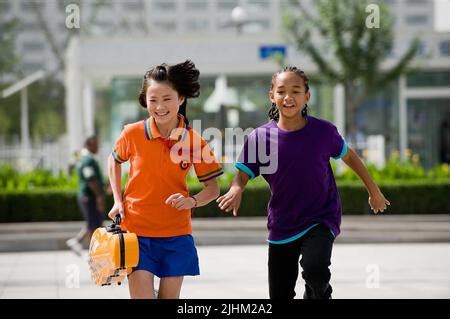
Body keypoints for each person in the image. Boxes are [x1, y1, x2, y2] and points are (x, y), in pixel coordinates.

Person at [217, 66, 390, 299]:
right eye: (281, 91)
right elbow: (243, 173)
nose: (288, 97)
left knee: (316, 273)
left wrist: (374, 191)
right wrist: (237, 188)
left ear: (307, 96)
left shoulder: (323, 132)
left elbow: (350, 157)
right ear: (272, 96)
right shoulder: (260, 137)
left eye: (296, 91)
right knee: (279, 293)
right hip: (282, 223)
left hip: (321, 217)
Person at [108, 60, 223, 299]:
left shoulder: (193, 141)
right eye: (153, 100)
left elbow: (213, 188)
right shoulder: (132, 133)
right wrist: (117, 201)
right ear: (145, 101)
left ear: (180, 99)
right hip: (136, 233)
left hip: (176, 234)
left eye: (167, 98)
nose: (160, 106)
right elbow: (114, 160)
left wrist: (192, 201)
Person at [66, 136, 105, 256]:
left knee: (95, 223)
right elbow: (91, 180)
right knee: (94, 224)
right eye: (96, 145)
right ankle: (92, 250)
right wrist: (99, 196)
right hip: (89, 197)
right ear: (89, 145)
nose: (98, 147)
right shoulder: (88, 160)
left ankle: (79, 243)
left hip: (88, 196)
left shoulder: (84, 159)